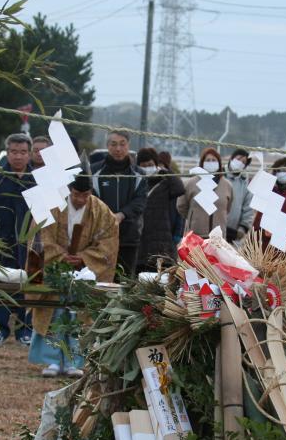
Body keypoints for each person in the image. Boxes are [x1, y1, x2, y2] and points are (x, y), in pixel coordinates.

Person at [29, 175, 119, 377]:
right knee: (54, 312)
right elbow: (40, 234)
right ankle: (51, 360)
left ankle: (75, 360)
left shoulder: (100, 210)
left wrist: (84, 258)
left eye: (86, 195)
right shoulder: (53, 204)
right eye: (77, 194)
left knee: (79, 314)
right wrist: (59, 256)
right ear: (69, 190)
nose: (81, 199)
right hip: (55, 268)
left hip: (85, 271)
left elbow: (109, 240)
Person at [0, 133, 34, 346]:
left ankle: (25, 330)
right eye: (14, 152)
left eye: (23, 152)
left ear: (29, 154)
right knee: (1, 285)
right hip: (2, 242)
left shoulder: (38, 181)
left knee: (28, 286)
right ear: (7, 152)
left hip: (30, 244)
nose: (18, 156)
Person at [90, 129, 147, 275]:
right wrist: (107, 216)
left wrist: (121, 215)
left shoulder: (139, 174)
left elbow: (140, 201)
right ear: (107, 146)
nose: (118, 149)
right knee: (99, 279)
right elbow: (91, 199)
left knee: (125, 281)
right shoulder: (94, 172)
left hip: (129, 237)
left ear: (128, 145)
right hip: (100, 236)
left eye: (122, 144)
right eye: (113, 144)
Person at [134, 147, 185, 272]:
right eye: (143, 165)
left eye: (150, 164)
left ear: (156, 165)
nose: (147, 168)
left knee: (161, 280)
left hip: (161, 241)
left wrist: (165, 171)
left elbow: (179, 188)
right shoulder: (136, 182)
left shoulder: (164, 182)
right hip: (140, 241)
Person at [178, 147, 234, 238]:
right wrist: (193, 217)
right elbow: (181, 207)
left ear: (219, 163)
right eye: (208, 160)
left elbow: (228, 208)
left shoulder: (227, 185)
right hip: (195, 236)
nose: (211, 162)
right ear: (202, 163)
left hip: (218, 238)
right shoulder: (190, 184)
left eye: (214, 160)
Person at [252, 155, 286, 252]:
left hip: (284, 242)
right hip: (262, 240)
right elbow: (259, 214)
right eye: (278, 171)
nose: (281, 174)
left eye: (284, 171)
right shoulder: (268, 188)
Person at [223, 148, 255, 242]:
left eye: (243, 162)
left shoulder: (244, 184)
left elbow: (248, 208)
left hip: (233, 233)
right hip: (213, 228)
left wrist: (242, 228)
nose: (240, 162)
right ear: (232, 158)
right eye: (238, 159)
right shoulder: (219, 175)